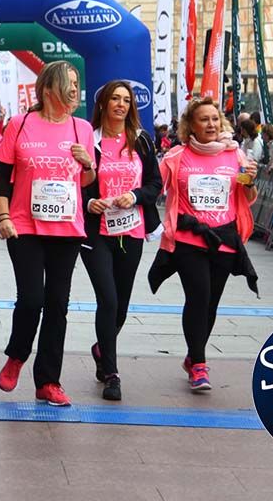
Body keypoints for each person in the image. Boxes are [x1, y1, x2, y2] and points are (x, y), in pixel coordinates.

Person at [0, 61, 96, 407]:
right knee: (31, 299)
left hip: (67, 229)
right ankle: (17, 354)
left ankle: (48, 381)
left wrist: (88, 164)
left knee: (57, 305)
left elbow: (86, 181)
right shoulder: (20, 124)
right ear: (48, 87)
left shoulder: (82, 128)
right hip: (24, 226)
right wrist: (3, 216)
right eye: (69, 81)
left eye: (77, 82)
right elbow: (1, 179)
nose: (75, 88)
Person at [148, 97, 258, 393]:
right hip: (188, 239)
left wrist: (250, 182)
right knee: (198, 296)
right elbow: (152, 186)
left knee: (210, 303)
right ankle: (199, 363)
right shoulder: (176, 156)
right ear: (190, 126)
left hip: (224, 239)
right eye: (204, 119)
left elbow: (248, 197)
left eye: (215, 119)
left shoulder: (235, 155)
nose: (211, 124)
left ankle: (192, 354)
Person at [81, 80, 162, 402]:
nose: (120, 105)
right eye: (114, 99)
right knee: (108, 300)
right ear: (103, 103)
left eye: (126, 100)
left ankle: (102, 348)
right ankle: (112, 374)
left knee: (122, 307)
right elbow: (75, 182)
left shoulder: (141, 140)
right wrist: (90, 202)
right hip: (96, 233)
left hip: (131, 231)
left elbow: (155, 183)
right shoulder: (89, 139)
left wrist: (135, 195)